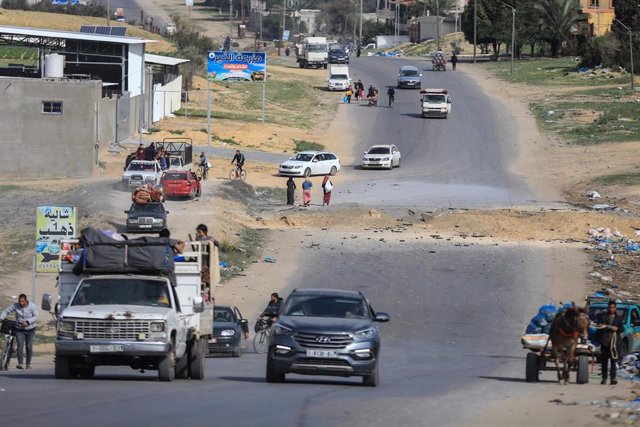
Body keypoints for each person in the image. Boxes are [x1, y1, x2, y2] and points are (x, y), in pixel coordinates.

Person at [0, 294, 38, 370]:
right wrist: (1, 318)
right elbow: (7, 311)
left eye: (22, 301)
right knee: (20, 346)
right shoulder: (15, 305)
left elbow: (36, 316)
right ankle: (20, 363)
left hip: (30, 329)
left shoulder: (32, 306)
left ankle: (28, 364)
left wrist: (28, 322)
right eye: (20, 301)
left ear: (26, 300)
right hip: (19, 329)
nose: (21, 303)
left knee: (29, 347)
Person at [596, 300, 624, 385]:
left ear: (615, 308)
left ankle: (613, 378)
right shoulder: (603, 317)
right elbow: (599, 327)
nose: (611, 309)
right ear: (608, 308)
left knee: (613, 361)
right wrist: (607, 327)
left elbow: (622, 329)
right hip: (605, 342)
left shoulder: (618, 318)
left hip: (615, 343)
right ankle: (604, 378)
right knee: (604, 361)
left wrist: (617, 329)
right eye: (610, 307)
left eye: (613, 307)